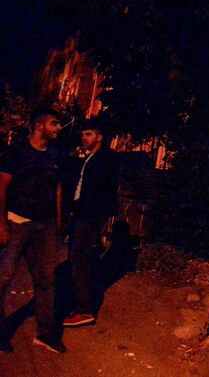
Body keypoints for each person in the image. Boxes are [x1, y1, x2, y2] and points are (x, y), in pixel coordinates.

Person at [0, 108, 66, 353]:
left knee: (46, 279)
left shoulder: (56, 155)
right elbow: (2, 188)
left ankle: (46, 334)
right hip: (17, 221)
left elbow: (57, 189)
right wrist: (1, 224)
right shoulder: (15, 152)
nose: (59, 128)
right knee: (4, 277)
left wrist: (57, 223)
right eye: (54, 123)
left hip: (46, 224)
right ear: (39, 125)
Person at [63, 118, 118, 328]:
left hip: (91, 214)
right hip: (82, 213)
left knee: (78, 257)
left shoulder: (106, 158)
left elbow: (99, 189)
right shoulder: (90, 157)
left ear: (99, 137)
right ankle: (80, 304)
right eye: (83, 134)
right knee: (77, 257)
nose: (84, 138)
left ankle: (85, 309)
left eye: (88, 134)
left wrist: (83, 209)